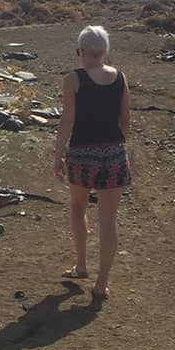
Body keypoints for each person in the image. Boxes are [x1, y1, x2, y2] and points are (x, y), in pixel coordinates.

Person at [53, 25, 131, 300]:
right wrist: (118, 146)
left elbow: (67, 121)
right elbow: (125, 119)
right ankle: (102, 284)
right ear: (105, 51)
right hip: (113, 152)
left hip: (82, 153)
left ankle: (81, 264)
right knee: (108, 220)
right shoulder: (120, 78)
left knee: (78, 207)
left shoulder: (73, 79)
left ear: (81, 51)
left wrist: (57, 155)